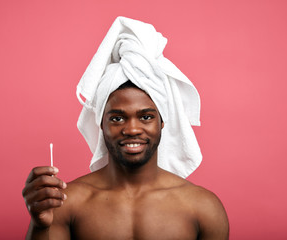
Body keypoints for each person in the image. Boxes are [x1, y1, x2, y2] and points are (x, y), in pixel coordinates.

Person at [22, 17, 229, 239]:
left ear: (163, 121)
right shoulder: (66, 203)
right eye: (118, 118)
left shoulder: (203, 208)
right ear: (101, 123)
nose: (132, 129)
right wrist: (40, 226)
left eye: (146, 116)